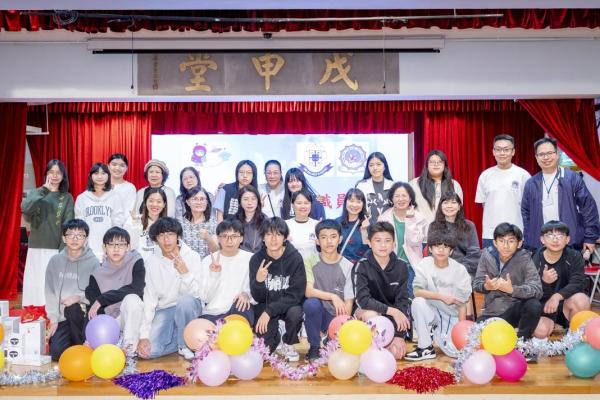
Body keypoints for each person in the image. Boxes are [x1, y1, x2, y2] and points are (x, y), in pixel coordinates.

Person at [137, 217, 206, 360]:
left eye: (170, 234)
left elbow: (198, 294)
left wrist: (185, 273)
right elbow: (149, 300)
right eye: (161, 235)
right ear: (156, 239)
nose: (166, 240)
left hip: (189, 308)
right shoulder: (151, 262)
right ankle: (183, 338)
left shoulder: (192, 257)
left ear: (178, 236)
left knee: (185, 301)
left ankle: (185, 345)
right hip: (165, 309)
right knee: (149, 352)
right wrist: (144, 335)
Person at [522, 137, 600, 251]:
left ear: (557, 154)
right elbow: (526, 214)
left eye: (550, 153)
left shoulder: (572, 178)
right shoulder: (531, 183)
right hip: (541, 244)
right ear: (536, 157)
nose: (546, 157)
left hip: (570, 242)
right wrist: (529, 238)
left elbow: (588, 208)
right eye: (541, 154)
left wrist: (590, 237)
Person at [405, 229, 472, 361]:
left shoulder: (460, 270)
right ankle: (425, 347)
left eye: (445, 247)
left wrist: (461, 331)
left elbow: (462, 305)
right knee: (417, 302)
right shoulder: (424, 264)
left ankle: (438, 332)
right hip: (432, 311)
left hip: (452, 316)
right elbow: (417, 291)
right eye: (437, 246)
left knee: (456, 353)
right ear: (430, 248)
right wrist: (442, 296)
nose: (441, 250)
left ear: (451, 251)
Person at [473, 223, 543, 344]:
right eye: (501, 241)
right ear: (495, 242)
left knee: (534, 305)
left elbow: (537, 289)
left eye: (511, 241)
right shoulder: (486, 255)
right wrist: (486, 286)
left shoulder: (525, 258)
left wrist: (512, 290)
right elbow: (476, 284)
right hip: (493, 311)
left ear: (519, 243)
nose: (506, 246)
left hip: (515, 309)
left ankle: (522, 343)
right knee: (476, 337)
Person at [249, 217, 306, 362]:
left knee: (295, 313)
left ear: (285, 237)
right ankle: (277, 333)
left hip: (287, 306)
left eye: (278, 234)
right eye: (268, 234)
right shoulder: (256, 260)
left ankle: (289, 341)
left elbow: (296, 295)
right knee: (265, 352)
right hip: (266, 305)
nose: (273, 239)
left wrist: (270, 311)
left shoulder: (295, 258)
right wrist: (259, 281)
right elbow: (257, 297)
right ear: (263, 237)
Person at [21, 159, 74, 306]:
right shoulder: (38, 193)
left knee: (51, 286)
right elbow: (25, 208)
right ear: (46, 174)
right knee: (34, 285)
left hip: (55, 249)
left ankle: (52, 316)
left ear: (63, 176)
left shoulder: (67, 197)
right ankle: (32, 315)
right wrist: (43, 190)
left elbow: (68, 226)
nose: (54, 176)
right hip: (35, 247)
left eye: (58, 173)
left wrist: (63, 251)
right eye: (51, 172)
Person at [353, 221, 409, 359]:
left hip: (391, 316)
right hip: (367, 312)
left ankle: (385, 343)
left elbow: (402, 301)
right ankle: (369, 351)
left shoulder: (402, 266)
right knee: (372, 315)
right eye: (378, 241)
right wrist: (392, 311)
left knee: (397, 353)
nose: (383, 245)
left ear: (394, 243)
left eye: (387, 241)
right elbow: (363, 300)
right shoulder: (361, 265)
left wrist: (398, 335)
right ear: (369, 243)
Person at [85, 227, 145, 352]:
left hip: (136, 317)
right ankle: (116, 342)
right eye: (111, 244)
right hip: (112, 323)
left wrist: (103, 299)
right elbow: (95, 311)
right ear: (104, 248)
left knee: (132, 299)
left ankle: (129, 350)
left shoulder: (136, 261)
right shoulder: (97, 274)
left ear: (128, 247)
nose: (116, 249)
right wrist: (93, 335)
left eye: (121, 244)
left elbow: (137, 288)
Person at [45, 219, 98, 361]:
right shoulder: (55, 261)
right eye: (70, 235)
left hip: (82, 316)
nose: (75, 239)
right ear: (64, 238)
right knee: (57, 354)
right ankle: (73, 344)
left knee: (73, 308)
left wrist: (79, 297)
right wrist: (53, 319)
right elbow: (49, 292)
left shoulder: (93, 262)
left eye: (80, 235)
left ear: (86, 239)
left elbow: (96, 293)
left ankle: (81, 346)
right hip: (62, 318)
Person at [304, 220, 354, 361]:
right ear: (317, 241)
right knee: (311, 304)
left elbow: (349, 302)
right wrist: (333, 296)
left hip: (337, 315)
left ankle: (330, 339)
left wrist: (342, 325)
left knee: (338, 353)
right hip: (319, 313)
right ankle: (314, 346)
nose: (329, 241)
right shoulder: (310, 260)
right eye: (324, 237)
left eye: (333, 236)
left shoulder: (348, 266)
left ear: (340, 239)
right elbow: (308, 291)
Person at [532, 221, 590, 339]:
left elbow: (578, 282)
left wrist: (557, 296)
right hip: (544, 306)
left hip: (565, 303)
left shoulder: (574, 256)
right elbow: (531, 290)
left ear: (567, 239)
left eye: (560, 235)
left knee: (582, 300)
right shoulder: (534, 259)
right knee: (540, 332)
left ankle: (574, 338)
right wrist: (544, 281)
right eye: (550, 235)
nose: (555, 239)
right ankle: (551, 326)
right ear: (542, 239)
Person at [475, 135, 531, 248]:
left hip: (516, 233)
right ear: (493, 152)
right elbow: (484, 204)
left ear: (513, 152)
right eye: (498, 149)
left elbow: (528, 206)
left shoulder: (523, 175)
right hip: (491, 234)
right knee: (490, 260)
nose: (502, 153)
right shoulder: (485, 175)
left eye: (506, 149)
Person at [378, 182, 428, 298]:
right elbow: (380, 245)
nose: (401, 199)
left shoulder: (419, 218)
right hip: (389, 266)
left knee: (408, 297)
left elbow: (414, 241)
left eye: (404, 196)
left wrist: (410, 219)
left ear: (410, 198)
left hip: (411, 266)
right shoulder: (384, 218)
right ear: (391, 199)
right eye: (397, 196)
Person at [200, 219, 255, 324]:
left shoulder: (251, 259)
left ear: (241, 238)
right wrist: (214, 274)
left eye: (234, 236)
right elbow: (205, 297)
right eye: (224, 236)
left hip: (238, 310)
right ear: (218, 238)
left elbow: (257, 290)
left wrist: (247, 294)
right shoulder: (208, 260)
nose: (229, 241)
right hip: (213, 313)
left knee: (242, 306)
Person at [75, 162, 126, 261]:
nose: (100, 176)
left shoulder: (115, 197)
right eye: (96, 173)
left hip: (109, 249)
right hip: (87, 250)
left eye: (103, 173)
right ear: (90, 176)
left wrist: (113, 246)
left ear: (108, 175)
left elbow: (118, 224)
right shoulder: (82, 198)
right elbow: (80, 226)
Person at [429, 191, 481, 276]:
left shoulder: (469, 226)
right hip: (440, 271)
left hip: (464, 271)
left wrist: (459, 270)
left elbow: (474, 253)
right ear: (441, 206)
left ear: (459, 206)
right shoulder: (434, 226)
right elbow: (431, 253)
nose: (449, 206)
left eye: (453, 202)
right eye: (446, 202)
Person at [409, 150, 463, 225]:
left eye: (440, 162)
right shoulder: (414, 184)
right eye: (432, 162)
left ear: (445, 165)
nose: (436, 164)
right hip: (421, 229)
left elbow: (458, 210)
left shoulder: (454, 185)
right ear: (427, 165)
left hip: (447, 229)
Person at [124, 187, 167, 260]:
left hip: (159, 264)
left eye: (159, 201)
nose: (155, 204)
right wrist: (136, 225)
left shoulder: (167, 225)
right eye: (151, 201)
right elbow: (129, 247)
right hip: (137, 263)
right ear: (145, 202)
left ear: (164, 204)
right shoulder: (134, 219)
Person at [180, 186, 218, 259]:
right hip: (186, 263)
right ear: (188, 202)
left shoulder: (214, 223)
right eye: (195, 199)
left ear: (207, 202)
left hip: (207, 264)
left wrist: (208, 238)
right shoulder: (181, 224)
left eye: (202, 199)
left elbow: (216, 252)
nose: (199, 202)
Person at [355, 152, 394, 223]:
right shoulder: (361, 186)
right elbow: (356, 208)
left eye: (378, 164)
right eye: (371, 165)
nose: (375, 168)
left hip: (390, 227)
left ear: (385, 166)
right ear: (368, 168)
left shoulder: (392, 185)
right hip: (368, 227)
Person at [336, 188, 370, 265]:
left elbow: (368, 249)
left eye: (358, 202)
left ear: (363, 204)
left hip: (360, 268)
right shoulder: (336, 223)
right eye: (351, 201)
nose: (354, 205)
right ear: (345, 202)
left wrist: (364, 230)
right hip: (339, 267)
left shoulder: (368, 224)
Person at [285, 188, 319, 264]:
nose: (303, 206)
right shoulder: (285, 225)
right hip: (291, 267)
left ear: (311, 205)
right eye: (299, 203)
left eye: (306, 203)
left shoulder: (317, 225)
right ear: (292, 205)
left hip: (313, 268)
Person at [235, 185, 266, 253]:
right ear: (240, 201)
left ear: (258, 201)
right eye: (245, 199)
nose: (249, 203)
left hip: (259, 257)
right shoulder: (234, 220)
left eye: (253, 199)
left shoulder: (265, 220)